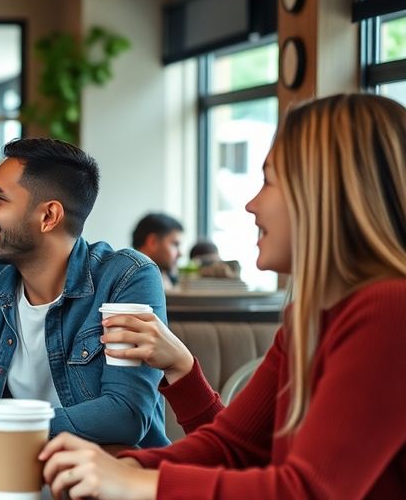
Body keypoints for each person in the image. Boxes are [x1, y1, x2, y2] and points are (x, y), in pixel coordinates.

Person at [38, 93, 406, 499]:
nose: (251, 204)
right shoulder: (309, 317)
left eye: (269, 180)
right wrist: (118, 467)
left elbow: (307, 491)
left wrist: (138, 482)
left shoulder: (389, 309)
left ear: (323, 192)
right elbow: (234, 447)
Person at [0, 138, 170, 450]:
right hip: (6, 473)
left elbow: (126, 414)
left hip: (117, 477)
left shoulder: (126, 279)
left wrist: (16, 428)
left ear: (49, 216)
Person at [132, 213, 184, 289]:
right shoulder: (137, 282)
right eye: (175, 244)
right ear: (153, 241)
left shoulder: (164, 278)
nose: (180, 254)